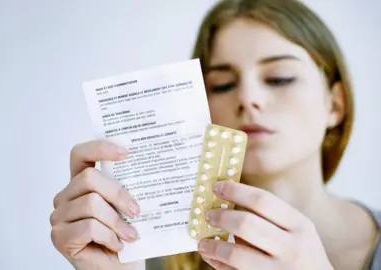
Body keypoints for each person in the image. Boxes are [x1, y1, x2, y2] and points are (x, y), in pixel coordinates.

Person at [50, 0, 381, 269]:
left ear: (335, 105)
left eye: (279, 78)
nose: (247, 98)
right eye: (223, 84)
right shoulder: (148, 258)